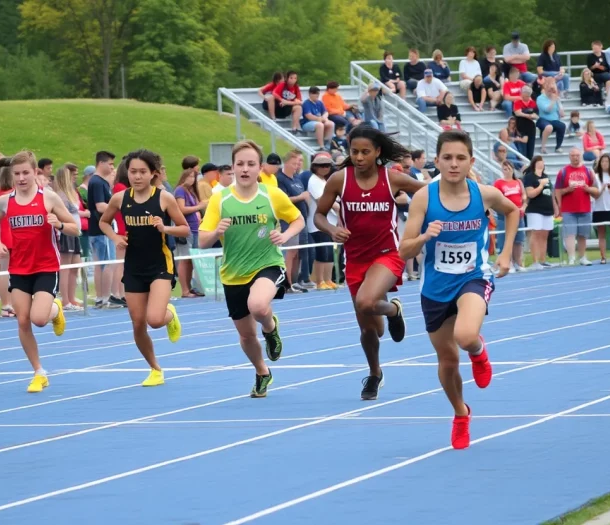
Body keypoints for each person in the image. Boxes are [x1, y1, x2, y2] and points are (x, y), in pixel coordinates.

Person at [399, 130, 519, 450]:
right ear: (437, 161)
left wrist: (505, 253)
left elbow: (513, 211)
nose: (454, 164)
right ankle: (461, 413)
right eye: (447, 158)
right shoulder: (425, 197)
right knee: (448, 361)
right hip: (436, 288)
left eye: (460, 158)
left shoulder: (484, 193)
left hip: (473, 277)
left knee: (466, 337)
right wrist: (424, 238)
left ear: (471, 162)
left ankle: (479, 353)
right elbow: (404, 250)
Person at [314, 124, 425, 401]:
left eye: (366, 152)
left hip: (387, 254)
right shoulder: (339, 180)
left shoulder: (392, 178)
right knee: (370, 329)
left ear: (377, 152)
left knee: (365, 302)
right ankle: (375, 372)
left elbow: (427, 192)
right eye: (355, 152)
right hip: (355, 258)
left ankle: (392, 310)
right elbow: (319, 215)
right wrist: (332, 230)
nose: (360, 157)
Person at [199, 140, 304, 398]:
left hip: (267, 263)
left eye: (251, 164)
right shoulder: (220, 198)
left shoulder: (271, 194)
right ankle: (262, 372)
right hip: (233, 273)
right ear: (233, 168)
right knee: (246, 337)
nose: (245, 169)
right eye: (240, 164)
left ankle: (270, 327)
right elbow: (202, 241)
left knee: (258, 305)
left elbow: (298, 219)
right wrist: (216, 231)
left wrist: (286, 234)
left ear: (260, 168)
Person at [0, 151, 79, 393]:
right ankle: (39, 372)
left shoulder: (48, 198)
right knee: (22, 319)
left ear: (35, 173)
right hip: (19, 268)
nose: (20, 178)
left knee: (38, 319)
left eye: (25, 173)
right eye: (16, 174)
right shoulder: (5, 201)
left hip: (46, 267)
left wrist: (59, 224)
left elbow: (75, 228)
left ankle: (55, 308)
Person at [99, 149, 190, 387]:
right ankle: (155, 368)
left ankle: (170, 316)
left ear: (153, 174)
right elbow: (103, 222)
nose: (137, 177)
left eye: (142, 172)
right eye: (133, 172)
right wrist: (116, 237)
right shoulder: (120, 199)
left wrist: (165, 229)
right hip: (134, 267)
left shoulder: (164, 198)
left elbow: (185, 229)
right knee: (138, 323)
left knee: (155, 320)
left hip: (160, 265)